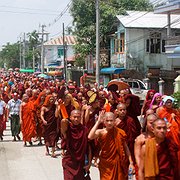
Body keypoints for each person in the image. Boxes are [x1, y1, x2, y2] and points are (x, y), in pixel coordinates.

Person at [88, 111, 134, 180]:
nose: (109, 123)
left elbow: (125, 147)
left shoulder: (120, 132)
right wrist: (98, 122)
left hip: (117, 162)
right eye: (107, 121)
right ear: (104, 121)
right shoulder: (101, 132)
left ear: (114, 121)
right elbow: (90, 137)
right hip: (105, 163)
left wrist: (131, 162)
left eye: (111, 121)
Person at [61, 110, 91, 180]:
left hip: (81, 162)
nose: (76, 119)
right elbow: (63, 121)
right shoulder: (67, 129)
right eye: (74, 117)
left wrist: (89, 163)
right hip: (69, 162)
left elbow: (88, 148)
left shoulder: (84, 129)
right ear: (70, 117)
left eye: (78, 117)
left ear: (81, 118)